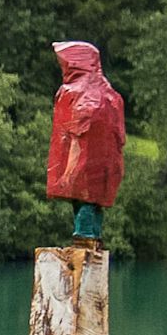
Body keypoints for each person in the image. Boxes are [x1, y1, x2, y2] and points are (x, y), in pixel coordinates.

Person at [43, 43, 125, 242]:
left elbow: (77, 134)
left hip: (82, 163)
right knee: (94, 200)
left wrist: (68, 172)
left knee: (83, 199)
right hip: (106, 167)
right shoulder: (112, 95)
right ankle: (92, 235)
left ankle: (85, 235)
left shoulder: (74, 93)